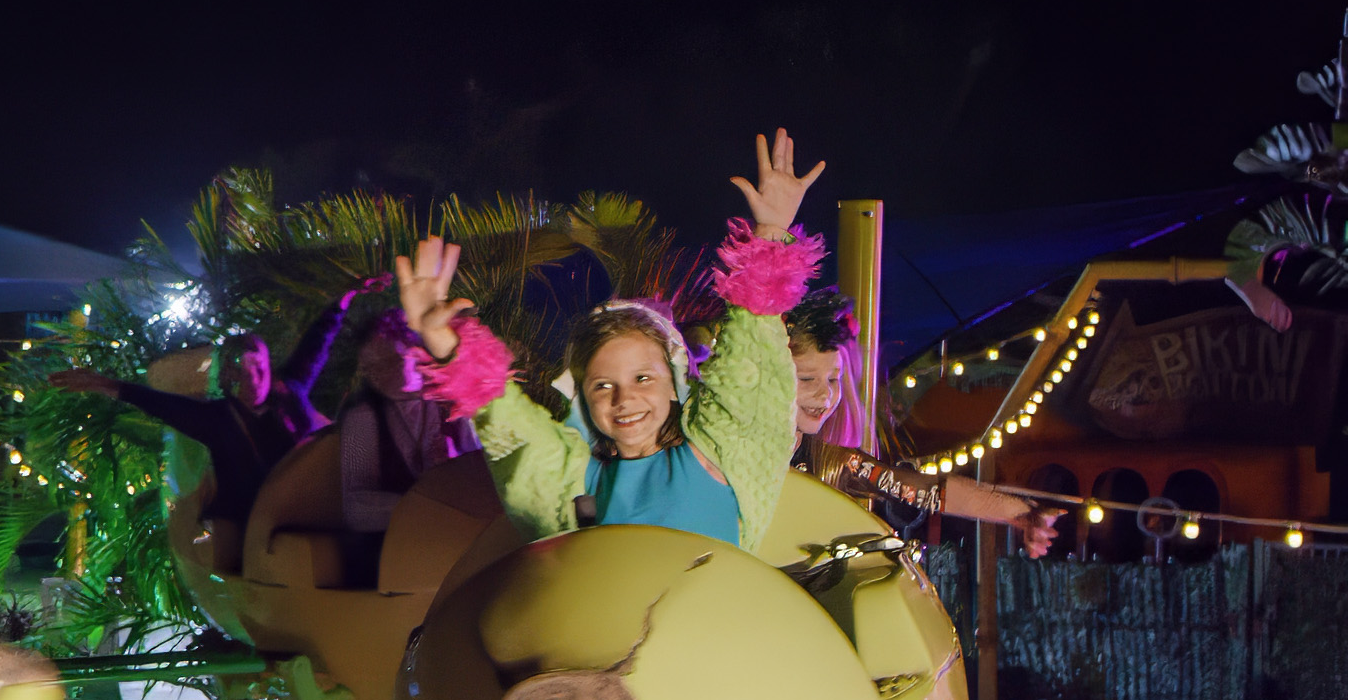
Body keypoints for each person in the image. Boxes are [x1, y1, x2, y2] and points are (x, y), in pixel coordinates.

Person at [403, 129, 828, 551]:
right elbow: (511, 427)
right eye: (603, 385)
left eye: (643, 378)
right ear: (582, 400)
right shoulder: (575, 482)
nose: (623, 398)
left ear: (675, 383)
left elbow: (750, 360)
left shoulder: (723, 454)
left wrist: (771, 231)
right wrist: (447, 346)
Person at [49, 278, 382, 523]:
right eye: (242, 372)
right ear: (228, 379)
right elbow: (159, 403)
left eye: (259, 369)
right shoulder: (218, 419)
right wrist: (104, 385)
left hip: (314, 504)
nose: (254, 380)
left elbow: (318, 341)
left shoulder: (290, 388)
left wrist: (346, 295)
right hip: (259, 521)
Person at [782, 289, 1061, 555]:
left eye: (834, 379)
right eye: (806, 379)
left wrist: (1022, 514)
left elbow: (926, 489)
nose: (826, 394)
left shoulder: (829, 463)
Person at [336, 310, 481, 533]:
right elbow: (355, 509)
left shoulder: (452, 403)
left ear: (415, 353)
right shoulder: (362, 417)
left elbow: (482, 470)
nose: (376, 376)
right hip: (401, 544)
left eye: (385, 362)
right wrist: (427, 509)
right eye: (369, 369)